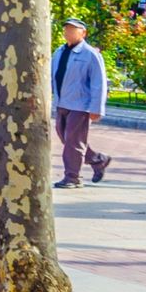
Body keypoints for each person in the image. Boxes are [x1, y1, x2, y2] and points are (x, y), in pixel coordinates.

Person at [52, 18, 110, 190]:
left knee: (73, 142)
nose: (68, 32)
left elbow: (99, 83)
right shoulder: (59, 51)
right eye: (66, 29)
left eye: (72, 29)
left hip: (80, 105)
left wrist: (96, 108)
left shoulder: (90, 54)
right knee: (66, 137)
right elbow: (52, 76)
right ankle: (98, 160)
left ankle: (72, 177)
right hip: (62, 103)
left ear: (83, 33)